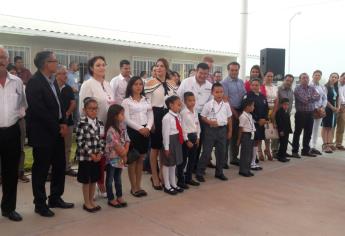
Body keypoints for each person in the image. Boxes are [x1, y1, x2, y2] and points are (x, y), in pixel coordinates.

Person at [26, 51, 74, 217]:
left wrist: (63, 123)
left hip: (56, 131)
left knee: (59, 166)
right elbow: (38, 110)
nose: (57, 63)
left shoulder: (52, 81)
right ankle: (40, 203)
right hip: (42, 134)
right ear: (46, 64)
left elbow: (58, 106)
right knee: (41, 170)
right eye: (54, 61)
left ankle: (55, 197)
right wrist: (57, 126)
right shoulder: (34, 82)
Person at [79, 56, 115, 197]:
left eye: (103, 64)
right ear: (91, 68)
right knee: (95, 158)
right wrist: (87, 127)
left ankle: (102, 184)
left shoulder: (107, 84)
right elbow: (83, 108)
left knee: (105, 159)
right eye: (98, 65)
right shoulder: (88, 84)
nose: (101, 67)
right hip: (93, 128)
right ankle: (96, 187)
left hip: (108, 127)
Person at [0, 46, 27, 221]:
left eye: (3, 57)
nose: (0, 60)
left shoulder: (17, 81)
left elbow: (23, 104)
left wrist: (19, 115)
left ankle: (9, 208)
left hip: (11, 130)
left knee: (11, 172)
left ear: (8, 60)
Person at [144, 58, 176, 190]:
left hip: (168, 115)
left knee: (165, 147)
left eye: (162, 66)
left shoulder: (172, 83)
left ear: (166, 68)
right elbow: (147, 104)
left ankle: (163, 175)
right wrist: (151, 123)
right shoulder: (149, 83)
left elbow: (175, 102)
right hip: (155, 115)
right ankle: (155, 175)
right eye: (157, 66)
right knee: (155, 148)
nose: (158, 68)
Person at [177, 63, 213, 169]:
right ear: (196, 71)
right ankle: (180, 168)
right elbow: (178, 98)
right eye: (201, 73)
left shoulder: (209, 86)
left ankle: (193, 167)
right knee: (184, 142)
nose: (202, 76)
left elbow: (210, 103)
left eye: (205, 74)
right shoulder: (186, 82)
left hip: (200, 117)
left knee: (197, 142)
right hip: (186, 116)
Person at [122, 76, 153, 197]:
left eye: (140, 84)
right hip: (133, 132)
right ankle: (133, 187)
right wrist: (140, 129)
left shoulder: (146, 100)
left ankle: (139, 186)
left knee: (141, 159)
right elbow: (126, 119)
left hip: (146, 131)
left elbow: (150, 115)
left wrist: (148, 128)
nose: (139, 86)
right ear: (130, 86)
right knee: (133, 160)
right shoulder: (126, 101)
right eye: (136, 84)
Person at [196, 83, 232, 182]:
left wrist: (230, 131)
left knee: (221, 152)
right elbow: (202, 117)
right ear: (212, 93)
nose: (219, 94)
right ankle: (199, 172)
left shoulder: (226, 105)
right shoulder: (208, 105)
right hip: (210, 130)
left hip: (222, 130)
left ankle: (219, 172)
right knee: (207, 152)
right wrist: (210, 122)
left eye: (221, 92)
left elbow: (229, 118)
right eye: (217, 92)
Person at [76, 97, 104, 213]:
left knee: (93, 179)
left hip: (97, 157)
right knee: (86, 180)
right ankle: (86, 202)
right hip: (86, 157)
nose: (93, 111)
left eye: (95, 109)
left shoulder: (100, 123)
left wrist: (100, 153)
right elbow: (80, 141)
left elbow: (102, 140)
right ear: (84, 110)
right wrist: (91, 154)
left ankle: (91, 201)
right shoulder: (81, 124)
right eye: (90, 109)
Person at [6, 63, 30, 183]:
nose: (14, 75)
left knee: (20, 148)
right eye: (12, 73)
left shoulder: (21, 86)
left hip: (19, 121)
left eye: (15, 73)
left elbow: (25, 105)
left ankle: (20, 172)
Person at [221, 62, 246, 167]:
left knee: (236, 136)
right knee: (228, 136)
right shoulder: (224, 83)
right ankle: (223, 161)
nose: (234, 72)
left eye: (236, 70)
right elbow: (226, 100)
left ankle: (234, 158)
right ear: (228, 70)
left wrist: (243, 111)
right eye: (232, 70)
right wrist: (235, 114)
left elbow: (244, 96)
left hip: (241, 111)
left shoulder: (241, 82)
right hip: (229, 112)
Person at [104, 104, 129, 208]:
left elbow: (127, 139)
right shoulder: (110, 130)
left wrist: (125, 153)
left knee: (118, 178)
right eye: (121, 114)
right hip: (112, 159)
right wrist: (124, 154)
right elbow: (116, 145)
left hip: (120, 157)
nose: (123, 116)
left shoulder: (122, 126)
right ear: (115, 116)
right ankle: (111, 198)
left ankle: (119, 196)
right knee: (110, 179)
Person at [292, 73, 320, 158]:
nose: (306, 79)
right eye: (303, 78)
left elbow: (318, 97)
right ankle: (295, 151)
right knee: (297, 133)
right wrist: (311, 97)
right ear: (300, 79)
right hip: (301, 114)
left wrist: (309, 97)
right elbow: (304, 100)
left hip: (310, 113)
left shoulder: (312, 87)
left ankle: (305, 151)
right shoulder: (297, 89)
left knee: (308, 133)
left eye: (307, 78)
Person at [55, 65, 77, 176]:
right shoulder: (51, 87)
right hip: (54, 122)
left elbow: (73, 103)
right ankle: (51, 170)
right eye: (64, 74)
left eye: (66, 74)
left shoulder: (68, 88)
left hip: (68, 122)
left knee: (67, 146)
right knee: (53, 147)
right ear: (57, 75)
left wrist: (67, 114)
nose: (66, 76)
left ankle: (66, 167)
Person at [177, 92, 201, 189]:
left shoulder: (195, 111)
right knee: (183, 160)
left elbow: (197, 124)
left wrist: (198, 136)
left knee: (192, 159)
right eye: (189, 100)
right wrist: (187, 140)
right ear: (185, 101)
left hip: (195, 136)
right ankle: (180, 180)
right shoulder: (183, 113)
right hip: (187, 138)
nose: (192, 102)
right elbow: (183, 128)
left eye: (193, 100)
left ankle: (189, 178)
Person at [162, 95, 184, 195]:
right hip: (170, 141)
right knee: (167, 163)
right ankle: (167, 185)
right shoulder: (167, 118)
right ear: (171, 105)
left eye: (180, 105)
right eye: (178, 105)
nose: (180, 107)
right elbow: (165, 134)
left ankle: (173, 184)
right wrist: (166, 147)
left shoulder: (178, 116)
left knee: (174, 163)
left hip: (177, 140)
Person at [246, 78, 268, 171]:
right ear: (250, 86)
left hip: (261, 123)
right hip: (253, 122)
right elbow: (248, 110)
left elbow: (266, 108)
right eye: (253, 85)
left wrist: (265, 119)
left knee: (258, 141)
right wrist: (258, 120)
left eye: (257, 85)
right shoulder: (248, 96)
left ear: (260, 86)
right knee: (253, 142)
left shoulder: (262, 96)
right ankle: (250, 162)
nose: (255, 87)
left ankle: (253, 161)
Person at [274, 74, 295, 158]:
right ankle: (275, 151)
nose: (288, 82)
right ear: (284, 80)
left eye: (290, 81)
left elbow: (290, 103)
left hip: (287, 115)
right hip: (279, 115)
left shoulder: (291, 91)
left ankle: (282, 151)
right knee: (278, 134)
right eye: (287, 80)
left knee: (285, 135)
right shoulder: (278, 90)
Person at [310, 70, 327, 155]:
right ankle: (308, 146)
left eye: (319, 75)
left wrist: (322, 107)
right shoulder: (309, 86)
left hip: (320, 110)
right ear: (312, 76)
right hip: (311, 110)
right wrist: (316, 108)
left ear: (320, 77)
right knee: (310, 128)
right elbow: (309, 99)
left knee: (316, 129)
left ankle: (314, 146)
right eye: (316, 75)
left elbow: (325, 98)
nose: (317, 76)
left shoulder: (322, 86)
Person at [321, 73, 339, 153]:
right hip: (328, 109)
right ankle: (325, 145)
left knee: (330, 127)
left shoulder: (335, 87)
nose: (334, 78)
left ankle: (329, 143)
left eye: (336, 77)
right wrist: (332, 107)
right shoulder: (326, 87)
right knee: (326, 127)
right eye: (332, 77)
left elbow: (338, 98)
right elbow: (325, 99)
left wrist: (337, 107)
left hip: (334, 110)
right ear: (329, 77)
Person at [237, 98, 255, 177]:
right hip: (246, 135)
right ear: (247, 107)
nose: (253, 107)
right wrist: (239, 139)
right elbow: (240, 129)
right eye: (252, 106)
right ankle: (243, 170)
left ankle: (247, 169)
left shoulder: (250, 115)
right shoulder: (243, 116)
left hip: (251, 135)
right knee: (245, 154)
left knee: (249, 153)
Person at [262, 71, 278, 161]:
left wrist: (274, 112)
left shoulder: (275, 87)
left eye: (272, 76)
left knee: (270, 131)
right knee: (262, 132)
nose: (270, 78)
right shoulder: (262, 86)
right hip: (264, 110)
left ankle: (267, 149)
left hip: (273, 111)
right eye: (268, 76)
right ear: (265, 76)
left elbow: (277, 100)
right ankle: (260, 151)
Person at [275, 98, 292, 162]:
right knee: (283, 144)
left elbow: (288, 122)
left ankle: (282, 155)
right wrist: (281, 131)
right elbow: (279, 122)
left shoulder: (286, 112)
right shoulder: (279, 112)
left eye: (287, 105)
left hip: (286, 130)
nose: (286, 106)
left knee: (285, 143)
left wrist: (289, 130)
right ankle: (281, 157)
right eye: (285, 104)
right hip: (282, 131)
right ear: (281, 105)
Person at [335, 72, 345, 150]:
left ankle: (338, 144)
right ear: (340, 77)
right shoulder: (334, 85)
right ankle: (329, 143)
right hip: (334, 108)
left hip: (343, 108)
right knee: (330, 126)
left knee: (341, 127)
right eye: (344, 78)